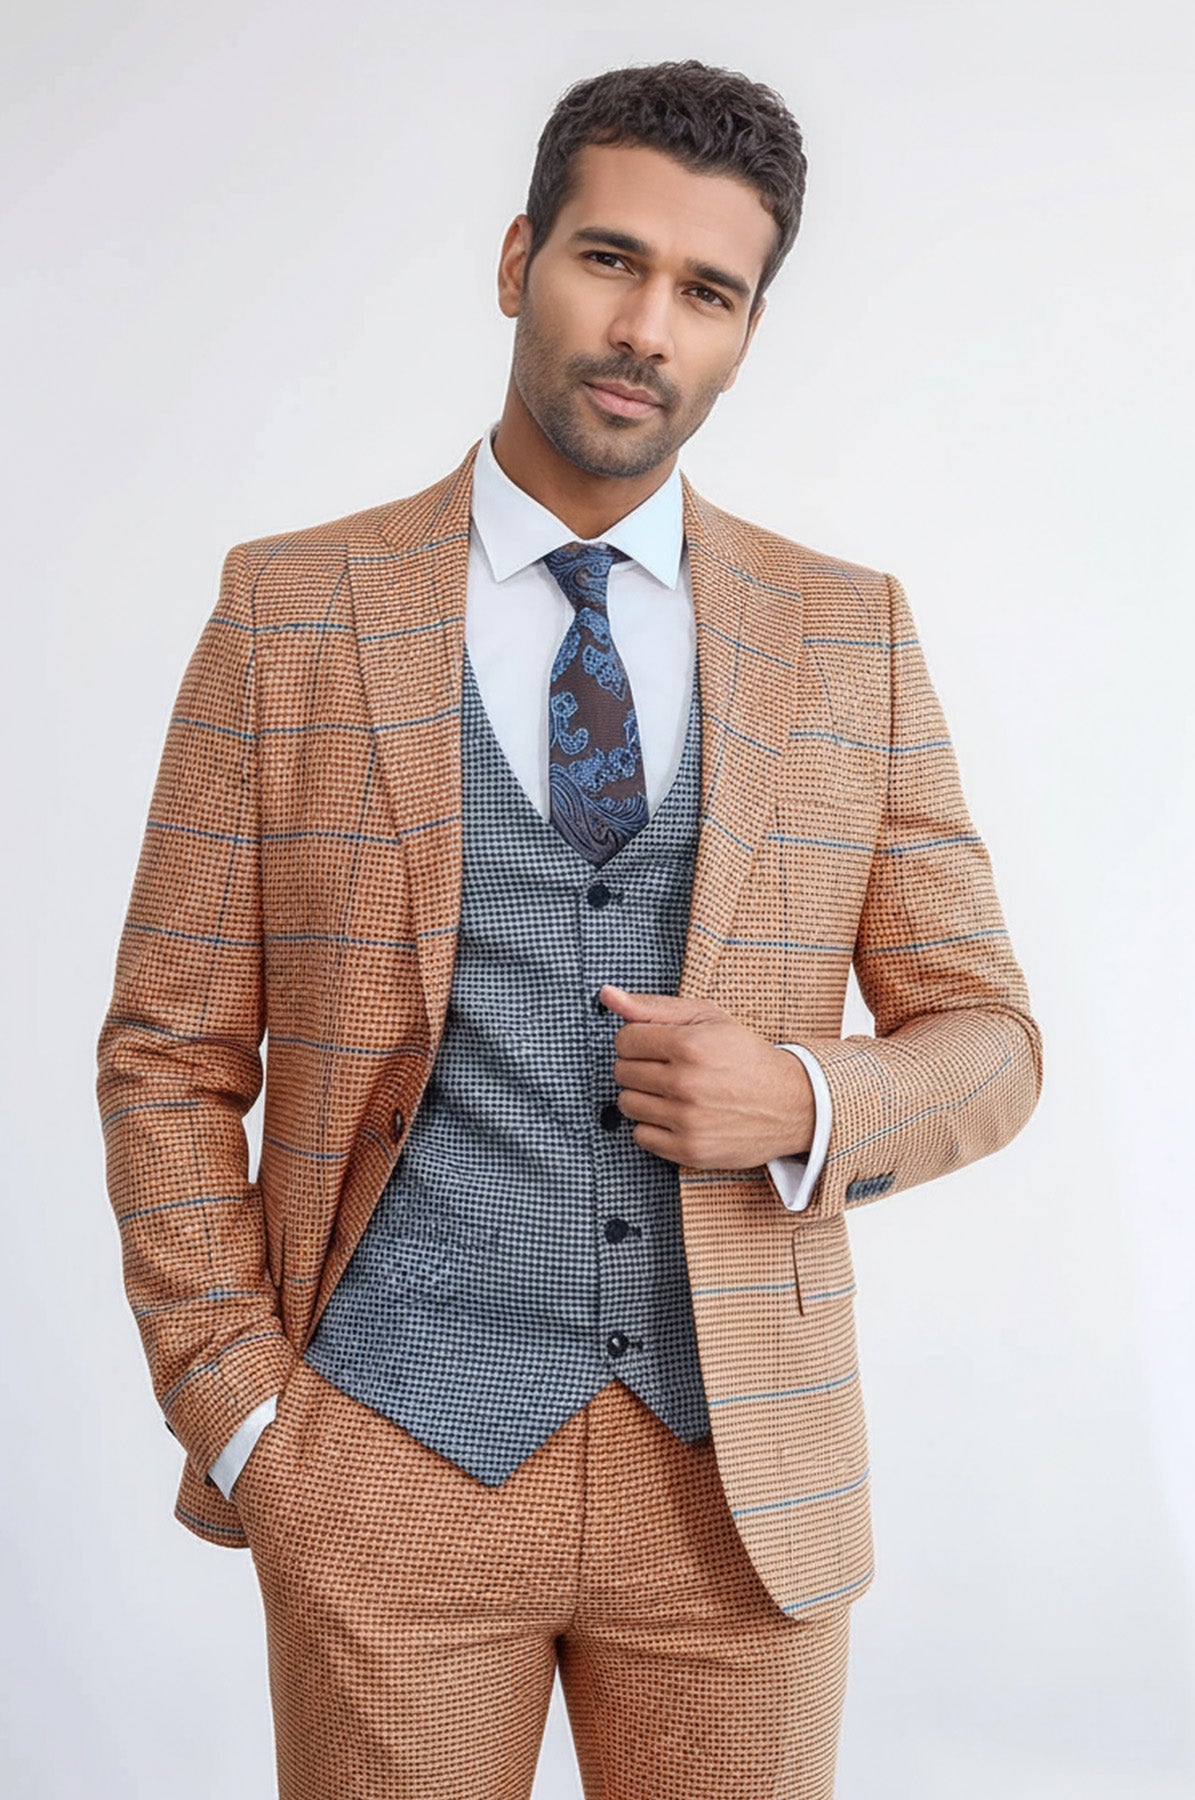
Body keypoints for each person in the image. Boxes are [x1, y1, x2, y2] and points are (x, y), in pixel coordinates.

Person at [96, 57, 1043, 1800]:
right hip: (382, 1467)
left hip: (740, 1491)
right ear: (518, 256)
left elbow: (991, 1040)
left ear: (748, 331)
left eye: (707, 292)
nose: (645, 330)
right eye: (610, 260)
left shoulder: (847, 635)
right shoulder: (290, 612)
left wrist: (807, 1099)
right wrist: (243, 1416)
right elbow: (167, 1051)